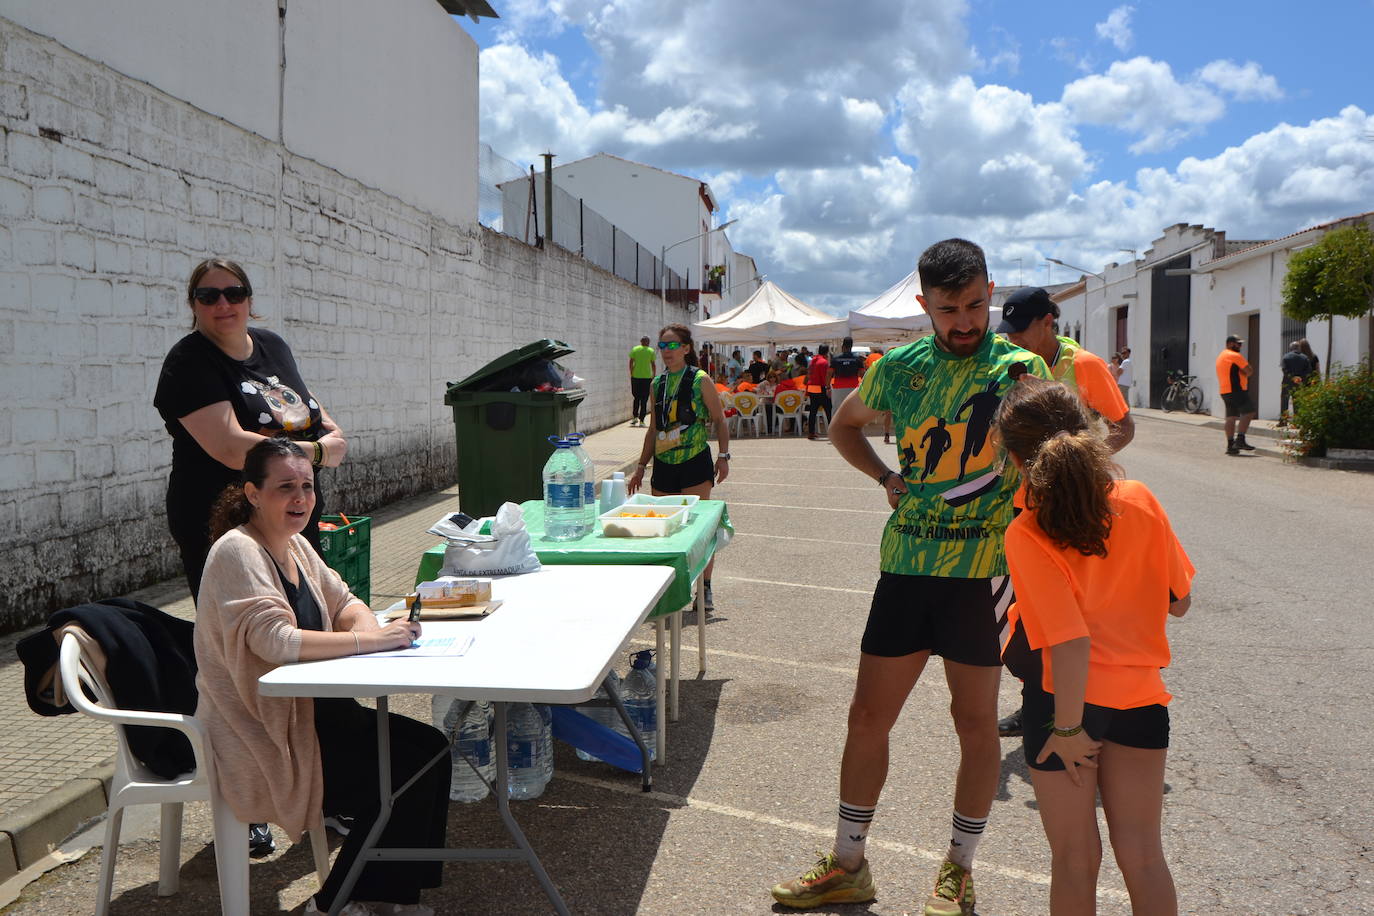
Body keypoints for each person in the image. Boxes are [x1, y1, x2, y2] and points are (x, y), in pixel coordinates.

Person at [771, 238, 1049, 915]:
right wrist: (885, 477)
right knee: (868, 717)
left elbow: (1053, 458)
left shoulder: (1021, 367)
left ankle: (959, 871)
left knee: (975, 721)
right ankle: (847, 863)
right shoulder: (898, 368)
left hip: (983, 574)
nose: (964, 322)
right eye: (949, 308)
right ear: (923, 303)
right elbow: (844, 428)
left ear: (991, 291)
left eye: (976, 305)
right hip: (907, 565)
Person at [195, 438, 449, 916]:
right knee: (400, 774)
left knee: (430, 750)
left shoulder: (297, 547)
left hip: (316, 713)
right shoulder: (238, 552)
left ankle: (393, 896)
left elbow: (348, 602)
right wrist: (374, 641)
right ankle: (334, 903)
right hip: (267, 732)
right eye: (285, 487)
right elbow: (276, 641)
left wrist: (364, 627)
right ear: (252, 493)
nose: (300, 499)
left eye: (307, 487)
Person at [994, 378, 1193, 915]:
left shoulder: (1029, 530)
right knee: (1144, 857)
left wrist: (1066, 727)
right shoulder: (1139, 499)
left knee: (1075, 860)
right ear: (1088, 431)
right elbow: (1180, 601)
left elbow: (1070, 641)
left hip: (1066, 708)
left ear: (1016, 458)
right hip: (1141, 700)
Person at [154, 258, 348, 602]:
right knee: (250, 637)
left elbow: (309, 411)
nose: (223, 304)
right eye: (209, 296)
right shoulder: (189, 362)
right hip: (229, 526)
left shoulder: (272, 345)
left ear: (249, 300)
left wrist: (330, 436)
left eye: (234, 293)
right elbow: (232, 447)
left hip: (293, 520)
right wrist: (318, 451)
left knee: (310, 618)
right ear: (193, 304)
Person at [995, 288, 1135, 738]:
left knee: (1080, 612)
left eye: (1021, 331)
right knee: (1030, 612)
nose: (1013, 340)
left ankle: (1088, 708)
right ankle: (1034, 702)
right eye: (1009, 333)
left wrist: (1080, 467)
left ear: (1047, 323)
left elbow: (1123, 426)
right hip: (1024, 507)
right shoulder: (1012, 366)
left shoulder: (1084, 365)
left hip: (1074, 505)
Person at [628, 324, 731, 611]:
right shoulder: (656, 384)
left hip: (694, 459)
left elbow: (720, 420)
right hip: (664, 464)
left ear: (686, 348)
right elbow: (653, 429)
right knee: (663, 527)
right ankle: (668, 589)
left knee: (699, 528)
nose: (667, 351)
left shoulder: (700, 380)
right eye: (663, 346)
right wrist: (640, 467)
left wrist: (723, 456)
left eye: (673, 345)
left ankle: (704, 588)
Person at [1216, 334, 1256, 455]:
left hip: (1225, 391)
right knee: (1249, 412)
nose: (1240, 346)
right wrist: (1243, 374)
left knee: (1231, 417)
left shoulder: (1221, 356)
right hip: (1236, 390)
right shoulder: (1235, 356)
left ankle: (1230, 445)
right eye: (1237, 343)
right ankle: (1240, 439)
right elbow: (1249, 371)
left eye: (1241, 344)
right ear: (1229, 344)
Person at [829, 337, 866, 415]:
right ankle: (852, 426)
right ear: (851, 347)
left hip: (838, 388)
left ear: (843, 347)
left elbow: (829, 373)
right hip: (853, 388)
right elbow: (863, 373)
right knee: (853, 409)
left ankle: (836, 426)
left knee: (837, 409)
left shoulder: (836, 359)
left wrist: (827, 387)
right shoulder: (857, 359)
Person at [1279, 341, 1312, 421]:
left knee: (1284, 401)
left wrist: (1292, 377)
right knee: (1297, 402)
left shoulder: (1286, 357)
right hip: (1299, 383)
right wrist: (1300, 378)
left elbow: (1284, 369)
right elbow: (1308, 371)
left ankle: (1283, 420)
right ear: (1299, 348)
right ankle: (1297, 421)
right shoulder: (1304, 357)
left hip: (1287, 382)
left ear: (1291, 348)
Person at [628, 335, 657, 427]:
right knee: (644, 399)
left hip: (636, 377)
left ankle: (635, 417)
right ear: (648, 342)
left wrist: (631, 372)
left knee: (636, 398)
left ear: (641, 341)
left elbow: (631, 361)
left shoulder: (635, 349)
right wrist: (653, 375)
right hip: (646, 378)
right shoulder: (651, 351)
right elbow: (653, 364)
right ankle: (642, 420)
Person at [806, 343, 833, 440]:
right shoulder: (823, 362)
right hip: (820, 387)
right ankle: (832, 433)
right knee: (829, 410)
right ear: (827, 351)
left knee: (813, 411)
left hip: (811, 387)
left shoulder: (813, 360)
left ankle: (811, 432)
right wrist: (828, 387)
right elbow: (825, 377)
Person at [864, 347, 891, 443]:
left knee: (887, 413)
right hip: (893, 390)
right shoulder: (891, 362)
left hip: (882, 388)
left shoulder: (882, 360)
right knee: (891, 414)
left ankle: (887, 434)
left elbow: (866, 370)